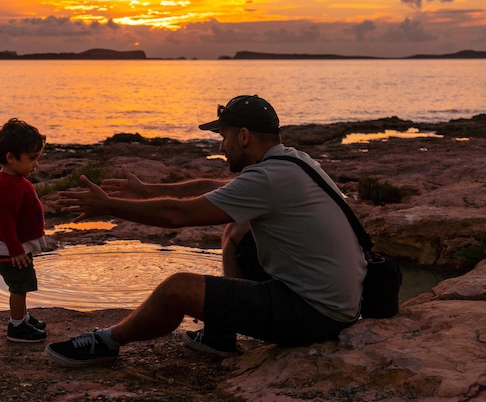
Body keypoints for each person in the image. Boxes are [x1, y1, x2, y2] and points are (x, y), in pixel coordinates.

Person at [45, 95, 367, 366]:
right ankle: (219, 337)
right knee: (236, 231)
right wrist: (146, 190)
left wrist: (109, 206)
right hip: (336, 303)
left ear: (243, 136)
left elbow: (177, 215)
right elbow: (212, 187)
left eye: (224, 137)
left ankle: (105, 342)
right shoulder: (294, 162)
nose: (222, 147)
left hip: (311, 315)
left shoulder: (267, 179)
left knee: (176, 289)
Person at [0, 118, 49, 343]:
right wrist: (15, 250)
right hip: (11, 251)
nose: (36, 165)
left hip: (17, 247)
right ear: (11, 158)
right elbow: (3, 222)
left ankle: (22, 317)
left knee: (21, 285)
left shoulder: (15, 179)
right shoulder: (6, 185)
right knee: (19, 288)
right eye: (32, 159)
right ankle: (16, 326)